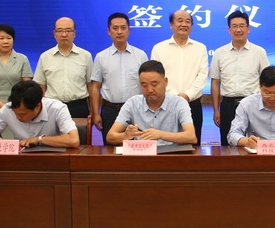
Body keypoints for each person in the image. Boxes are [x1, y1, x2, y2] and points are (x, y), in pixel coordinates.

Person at [210, 10, 270, 145]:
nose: (238, 30)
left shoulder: (259, 52)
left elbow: (266, 80)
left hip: (253, 104)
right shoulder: (220, 53)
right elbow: (215, 82)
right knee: (227, 144)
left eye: (242, 26)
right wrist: (216, 110)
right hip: (228, 105)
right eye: (234, 26)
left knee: (254, 143)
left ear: (248, 28)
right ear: (229, 30)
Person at [89, 13, 149, 145]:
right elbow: (95, 86)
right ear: (109, 31)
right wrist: (96, 113)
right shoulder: (101, 57)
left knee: (137, 148)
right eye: (115, 28)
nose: (119, 32)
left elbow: (147, 85)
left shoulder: (141, 55)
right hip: (110, 111)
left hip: (135, 111)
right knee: (110, 148)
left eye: (123, 27)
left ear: (129, 30)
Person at [106, 60, 197, 146]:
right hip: (142, 154)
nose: (149, 90)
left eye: (154, 84)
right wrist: (125, 136)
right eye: (144, 85)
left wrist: (161, 134)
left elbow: (191, 137)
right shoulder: (132, 103)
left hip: (172, 154)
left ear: (165, 82)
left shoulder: (179, 103)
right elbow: (110, 137)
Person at [150, 10, 208, 144]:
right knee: (165, 143)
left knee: (193, 143)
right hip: (166, 103)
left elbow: (202, 75)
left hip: (192, 103)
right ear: (171, 24)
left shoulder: (200, 48)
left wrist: (187, 95)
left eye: (188, 21)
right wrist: (175, 96)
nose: (184, 24)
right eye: (180, 21)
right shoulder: (159, 48)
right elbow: (156, 76)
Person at [0, 80, 79, 148]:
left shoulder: (57, 108)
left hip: (52, 157)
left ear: (37, 105)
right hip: (20, 159)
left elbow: (73, 140)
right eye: (15, 113)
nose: (17, 117)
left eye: (22, 114)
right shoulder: (8, 108)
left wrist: (39, 140)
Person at [33, 17, 93, 119]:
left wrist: (93, 111)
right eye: (60, 31)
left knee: (79, 130)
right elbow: (41, 86)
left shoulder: (85, 56)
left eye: (68, 31)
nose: (64, 34)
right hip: (52, 107)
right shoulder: (45, 57)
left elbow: (90, 86)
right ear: (54, 33)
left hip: (78, 107)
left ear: (74, 33)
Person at [0, 24, 33, 125]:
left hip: (18, 106)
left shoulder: (22, 59)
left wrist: (17, 104)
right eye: (1, 38)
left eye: (9, 38)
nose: (6, 41)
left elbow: (27, 85)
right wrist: (2, 106)